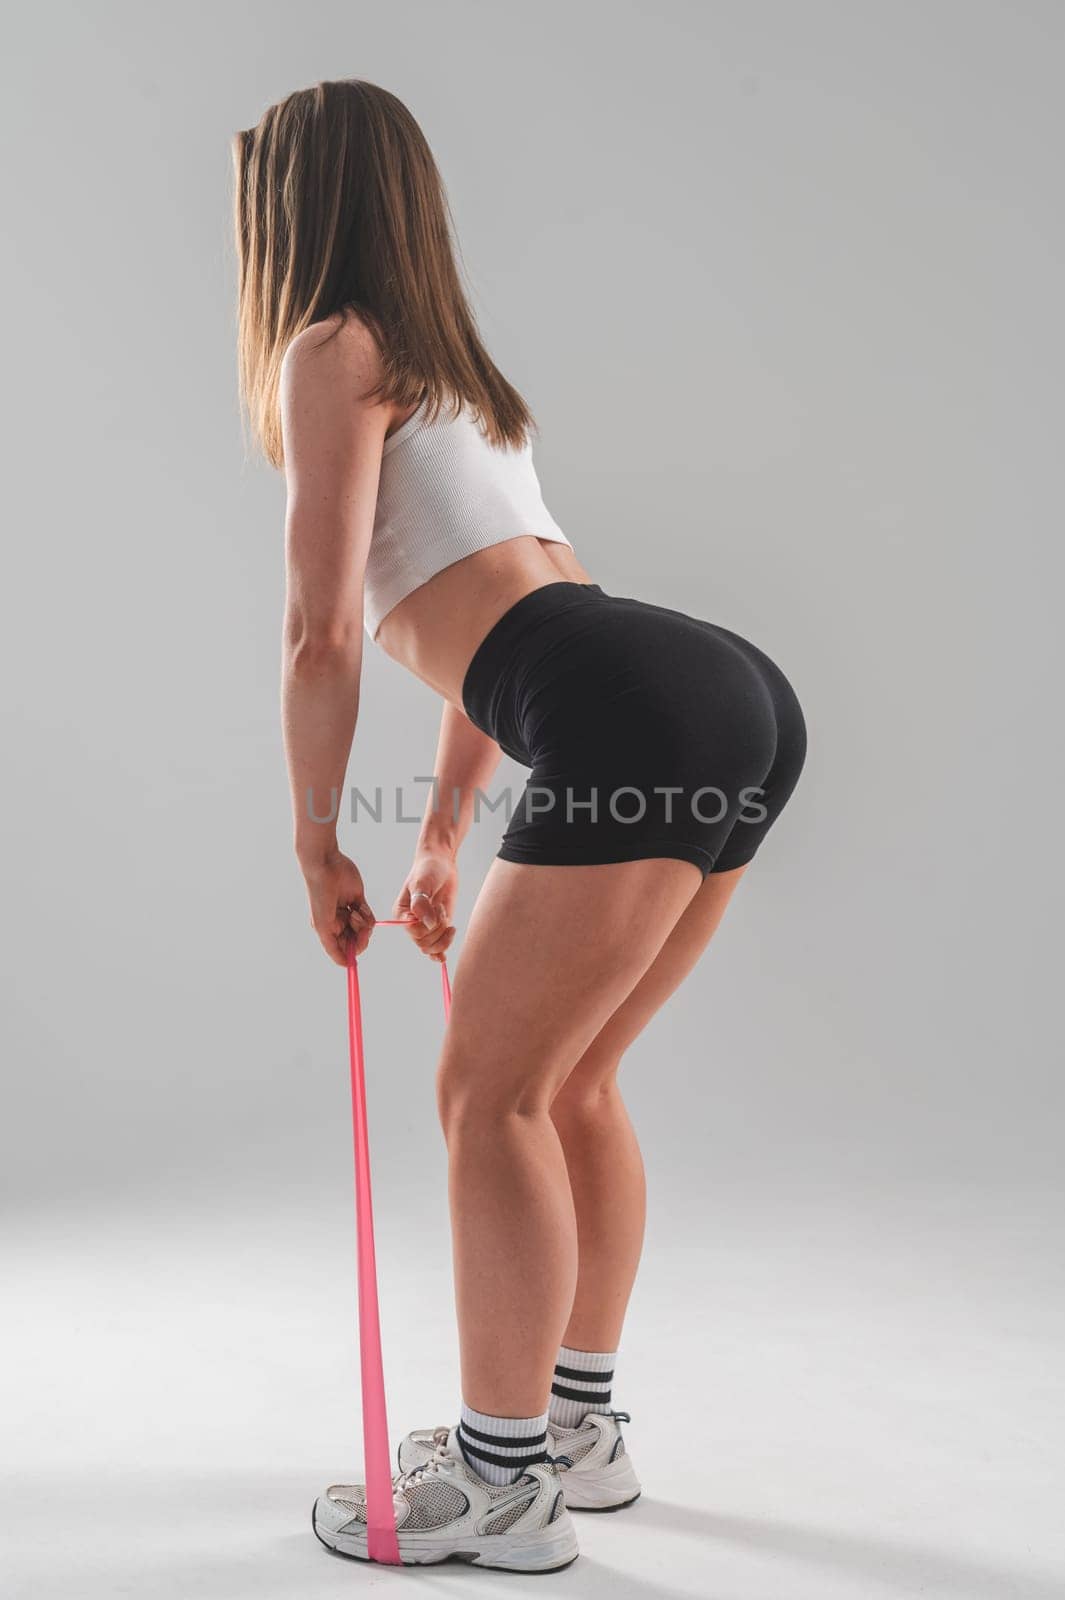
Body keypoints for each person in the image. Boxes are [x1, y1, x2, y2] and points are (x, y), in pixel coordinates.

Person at [232, 78, 807, 1574]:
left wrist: (318, 841)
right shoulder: (461, 375)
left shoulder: (327, 348)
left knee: (489, 1096)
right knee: (566, 1086)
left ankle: (498, 1487)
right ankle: (571, 1434)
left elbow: (322, 633)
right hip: (709, 682)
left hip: (625, 693)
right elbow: (508, 624)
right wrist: (436, 835)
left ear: (288, 202)